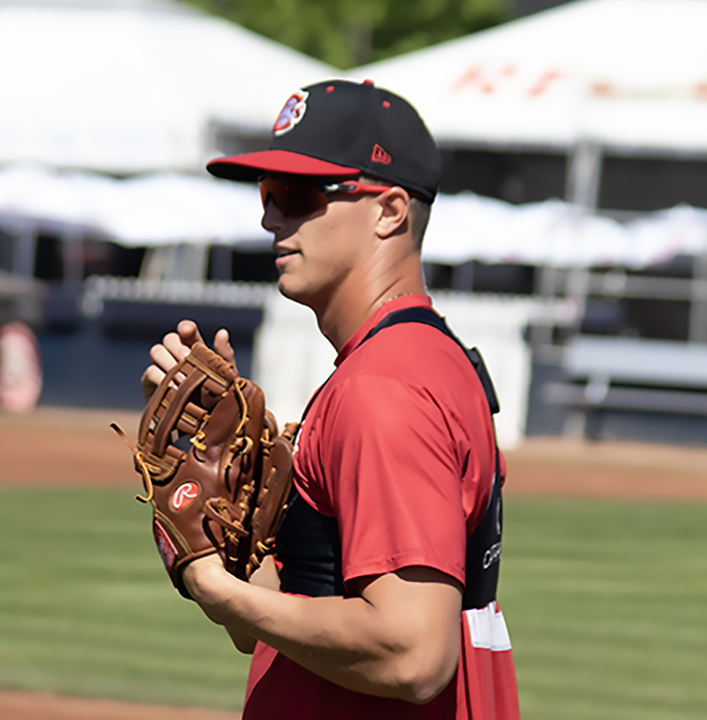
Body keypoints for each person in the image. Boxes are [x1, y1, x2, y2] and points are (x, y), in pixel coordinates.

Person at [141, 79, 519, 719]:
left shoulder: (383, 389)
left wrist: (211, 585)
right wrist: (232, 479)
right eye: (268, 195)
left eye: (299, 195)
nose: (271, 219)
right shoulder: (421, 360)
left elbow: (413, 654)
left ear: (390, 211)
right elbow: (273, 624)